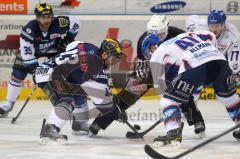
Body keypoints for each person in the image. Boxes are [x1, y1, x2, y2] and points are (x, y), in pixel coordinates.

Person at [88, 14, 206, 137]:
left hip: (172, 71)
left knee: (181, 91)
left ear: (167, 29)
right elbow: (142, 66)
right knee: (127, 94)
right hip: (151, 70)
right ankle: (99, 123)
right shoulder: (143, 40)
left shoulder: (178, 35)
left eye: (160, 34)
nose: (156, 37)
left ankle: (198, 122)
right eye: (152, 33)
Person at [150, 30, 240, 147]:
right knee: (228, 97)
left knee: (168, 100)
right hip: (219, 60)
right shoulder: (183, 35)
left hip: (194, 66)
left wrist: (172, 111)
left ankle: (173, 132)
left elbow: (161, 89)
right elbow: (210, 35)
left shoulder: (156, 54)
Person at [34, 38, 124, 143]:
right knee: (67, 100)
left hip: (53, 72)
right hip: (50, 74)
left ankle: (79, 123)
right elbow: (102, 103)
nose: (114, 63)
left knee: (80, 92)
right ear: (104, 55)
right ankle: (50, 128)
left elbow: (71, 45)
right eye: (114, 59)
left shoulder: (88, 46)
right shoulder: (95, 66)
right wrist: (117, 113)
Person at [0, 3, 80, 118]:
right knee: (18, 74)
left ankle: (66, 103)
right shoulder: (29, 30)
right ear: (37, 17)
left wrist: (68, 38)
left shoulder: (60, 22)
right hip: (33, 52)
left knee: (61, 73)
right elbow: (28, 56)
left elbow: (76, 22)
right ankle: (9, 104)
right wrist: (36, 72)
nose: (46, 20)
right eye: (43, 17)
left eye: (48, 16)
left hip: (53, 49)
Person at [186, 10, 240, 140]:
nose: (214, 29)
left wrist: (235, 73)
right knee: (188, 95)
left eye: (217, 26)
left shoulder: (233, 34)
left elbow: (235, 58)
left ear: (223, 24)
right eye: (212, 25)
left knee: (228, 96)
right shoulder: (199, 27)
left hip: (220, 66)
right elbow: (190, 19)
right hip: (200, 64)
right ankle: (193, 123)